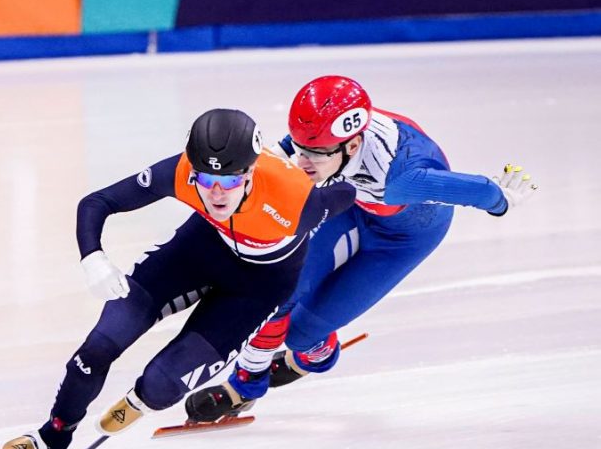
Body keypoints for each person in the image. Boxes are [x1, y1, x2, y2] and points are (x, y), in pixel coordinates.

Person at [0, 108, 357, 449]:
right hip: (198, 251)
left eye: (229, 181)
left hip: (257, 287)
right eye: (205, 178)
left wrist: (343, 167)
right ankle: (52, 435)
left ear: (250, 171)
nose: (216, 193)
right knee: (96, 349)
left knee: (159, 385)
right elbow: (97, 203)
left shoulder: (295, 199)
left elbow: (345, 193)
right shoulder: (182, 171)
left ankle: (139, 400)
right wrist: (93, 258)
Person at [184, 75, 538, 423]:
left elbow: (477, 191)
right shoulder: (324, 134)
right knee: (277, 288)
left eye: (315, 155)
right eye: (300, 148)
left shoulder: (400, 180)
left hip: (402, 240)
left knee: (300, 334)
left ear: (351, 146)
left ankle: (315, 356)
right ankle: (245, 386)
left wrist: (501, 201)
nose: (302, 164)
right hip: (352, 206)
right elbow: (282, 155)